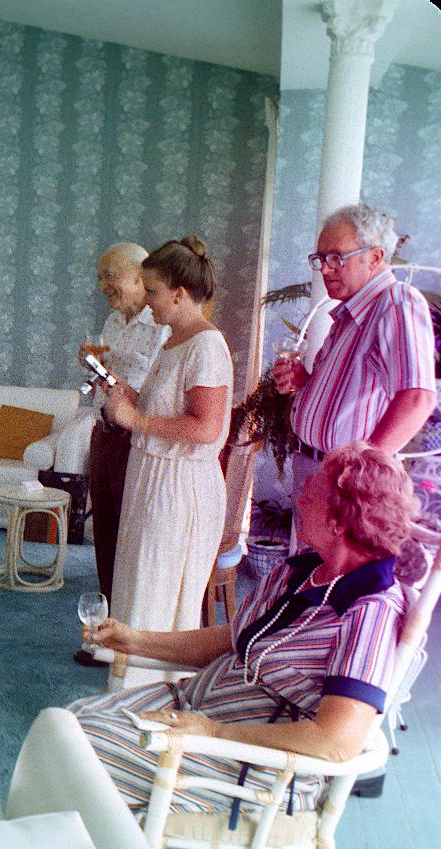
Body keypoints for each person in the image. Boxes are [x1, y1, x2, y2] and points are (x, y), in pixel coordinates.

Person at [70, 443, 417, 814]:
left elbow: (336, 740)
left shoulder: (369, 610)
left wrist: (214, 733)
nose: (299, 502)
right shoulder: (302, 571)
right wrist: (136, 641)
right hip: (193, 708)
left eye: (311, 497)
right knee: (70, 722)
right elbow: (233, 640)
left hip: (249, 764)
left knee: (76, 748)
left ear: (338, 521)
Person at [103, 236, 232, 683]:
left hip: (179, 491)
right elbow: (168, 410)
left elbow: (206, 428)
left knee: (156, 598)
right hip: (153, 479)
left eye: (152, 291)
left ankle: (151, 705)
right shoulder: (174, 340)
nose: (147, 301)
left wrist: (133, 417)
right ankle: (125, 700)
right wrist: (128, 397)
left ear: (179, 293)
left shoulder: (206, 346)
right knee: (137, 590)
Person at [277, 203, 435, 537]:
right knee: (309, 576)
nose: (325, 269)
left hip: (343, 480)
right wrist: (305, 383)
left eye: (337, 257)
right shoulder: (348, 314)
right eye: (319, 259)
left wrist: (359, 471)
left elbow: (417, 396)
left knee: (329, 580)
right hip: (315, 467)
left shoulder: (396, 302)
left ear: (376, 257)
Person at [77, 242, 170, 667]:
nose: (102, 286)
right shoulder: (114, 320)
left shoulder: (162, 324)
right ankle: (103, 628)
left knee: (131, 537)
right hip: (104, 433)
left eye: (108, 276)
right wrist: (93, 367)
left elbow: (148, 387)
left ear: (137, 276)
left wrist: (106, 370)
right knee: (105, 533)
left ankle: (129, 637)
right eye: (100, 277)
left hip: (136, 439)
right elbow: (107, 381)